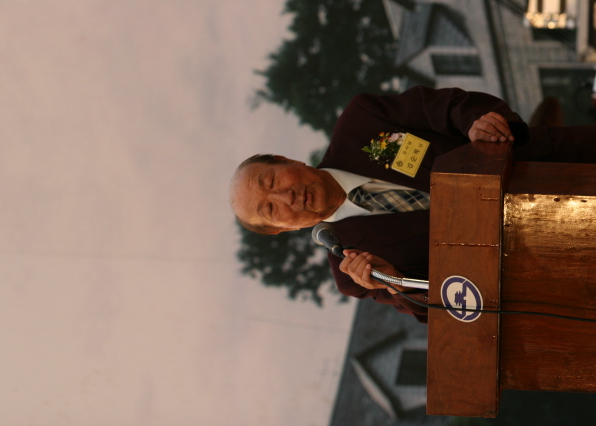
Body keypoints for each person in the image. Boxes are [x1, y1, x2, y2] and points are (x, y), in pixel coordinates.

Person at [230, 86, 596, 323]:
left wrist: (476, 125)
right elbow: (448, 311)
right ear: (281, 230)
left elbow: (446, 107)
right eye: (271, 209)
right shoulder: (355, 271)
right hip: (554, 251)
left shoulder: (362, 123)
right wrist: (398, 283)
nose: (286, 197)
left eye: (272, 182)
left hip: (557, 164)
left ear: (286, 160)